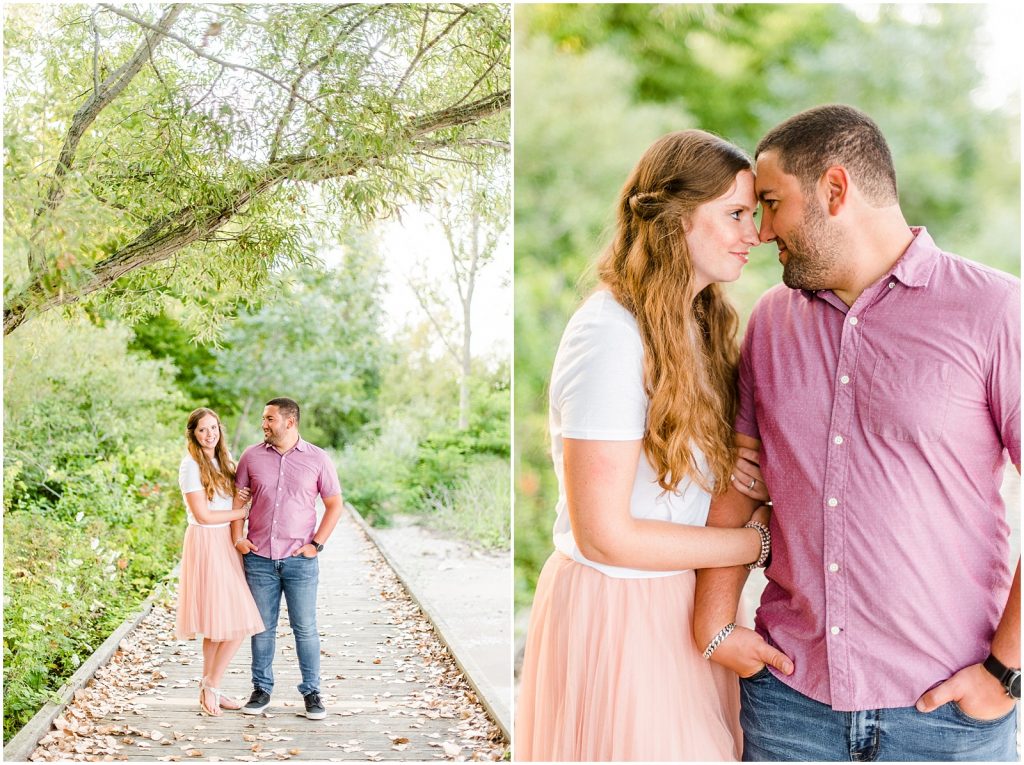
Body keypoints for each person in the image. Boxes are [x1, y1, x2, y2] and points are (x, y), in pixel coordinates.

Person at [695, 104, 1020, 761]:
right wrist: (714, 618)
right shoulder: (770, 322)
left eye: (772, 203)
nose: (760, 231)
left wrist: (1005, 673)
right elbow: (742, 478)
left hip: (945, 718)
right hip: (791, 706)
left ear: (835, 190)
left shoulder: (995, 310)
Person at [515, 130, 779, 762]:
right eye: (736, 214)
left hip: (684, 603)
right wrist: (758, 542)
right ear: (675, 221)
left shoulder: (702, 324)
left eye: (756, 214)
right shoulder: (609, 335)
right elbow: (606, 533)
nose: (756, 233)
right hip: (620, 607)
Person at [231, 397, 344, 721]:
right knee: (262, 629)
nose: (263, 424)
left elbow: (335, 505)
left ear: (289, 422)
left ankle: (312, 692)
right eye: (264, 419)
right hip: (260, 559)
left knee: (305, 628)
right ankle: (261, 689)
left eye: (269, 419)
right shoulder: (251, 457)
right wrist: (238, 539)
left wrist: (316, 545)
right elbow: (238, 502)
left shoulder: (318, 459)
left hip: (300, 561)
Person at [175, 407, 266, 717]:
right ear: (193, 434)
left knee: (218, 624)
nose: (209, 434)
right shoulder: (191, 466)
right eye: (202, 430)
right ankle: (212, 685)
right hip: (206, 541)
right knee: (239, 621)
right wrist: (241, 514)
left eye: (213, 427)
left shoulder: (224, 460)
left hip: (225, 543)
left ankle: (209, 687)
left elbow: (235, 497)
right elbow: (203, 514)